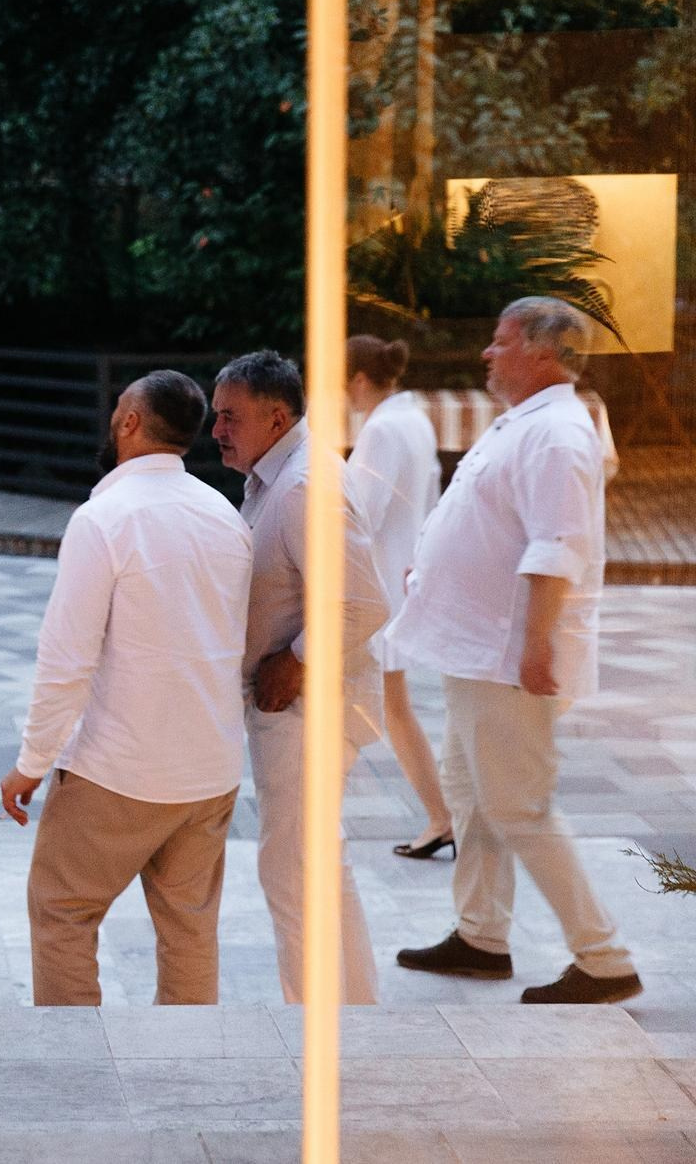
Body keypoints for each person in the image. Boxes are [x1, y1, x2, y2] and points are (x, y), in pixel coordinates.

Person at [390, 299, 641, 1004]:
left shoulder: (558, 433)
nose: (486, 354)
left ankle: (604, 957)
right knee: (471, 796)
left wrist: (536, 648)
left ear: (543, 352)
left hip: (506, 655)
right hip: (475, 648)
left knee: (518, 806)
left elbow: (556, 548)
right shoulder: (528, 421)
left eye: (499, 343)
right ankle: (480, 936)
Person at [0, 371, 252, 1006]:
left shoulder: (104, 518)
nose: (113, 420)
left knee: (62, 913)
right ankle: (186, 1070)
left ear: (132, 422)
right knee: (190, 932)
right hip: (210, 770)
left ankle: (80, 1076)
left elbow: (65, 661)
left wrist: (31, 764)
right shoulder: (225, 515)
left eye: (119, 410)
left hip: (122, 771)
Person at [212, 350, 387, 1005]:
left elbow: (360, 601)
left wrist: (297, 659)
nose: (217, 430)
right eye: (216, 417)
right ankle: (348, 1016)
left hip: (311, 708)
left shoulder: (304, 485)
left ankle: (318, 1028)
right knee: (312, 866)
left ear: (277, 415)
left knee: (293, 870)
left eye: (231, 417)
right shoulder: (276, 478)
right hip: (294, 709)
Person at [346, 335, 451, 860]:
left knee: (386, 705)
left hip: (379, 585)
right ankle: (441, 817)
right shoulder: (410, 418)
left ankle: (442, 816)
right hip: (401, 575)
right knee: (393, 705)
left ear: (359, 379)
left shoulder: (384, 427)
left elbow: (359, 513)